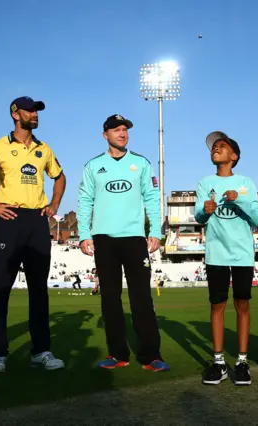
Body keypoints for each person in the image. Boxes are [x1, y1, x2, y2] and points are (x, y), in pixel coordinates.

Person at [0, 96, 66, 373]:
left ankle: (41, 351)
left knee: (39, 291)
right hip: (9, 220)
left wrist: (54, 204)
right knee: (1, 288)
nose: (35, 114)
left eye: (36, 110)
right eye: (30, 110)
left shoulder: (44, 149)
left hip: (37, 222)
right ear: (15, 114)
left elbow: (60, 176)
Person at [77, 114, 168, 372]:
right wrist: (85, 234)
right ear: (105, 134)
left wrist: (155, 232)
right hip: (104, 240)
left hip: (134, 238)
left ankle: (151, 355)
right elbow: (85, 201)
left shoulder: (140, 163)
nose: (122, 133)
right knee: (110, 299)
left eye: (125, 129)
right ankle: (118, 354)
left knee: (141, 298)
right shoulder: (94, 166)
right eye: (116, 130)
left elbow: (152, 197)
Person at [194, 131, 258, 386]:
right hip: (216, 253)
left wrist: (239, 199)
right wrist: (205, 210)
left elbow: (257, 219)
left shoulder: (246, 182)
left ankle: (242, 362)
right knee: (217, 305)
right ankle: (219, 362)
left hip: (243, 254)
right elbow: (199, 217)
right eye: (213, 147)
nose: (216, 149)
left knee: (242, 305)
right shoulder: (204, 182)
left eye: (221, 146)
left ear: (234, 156)